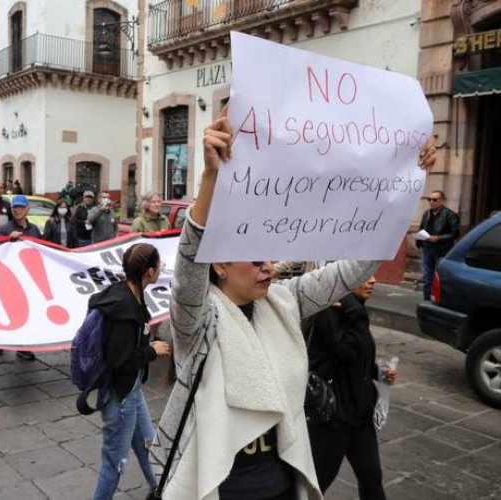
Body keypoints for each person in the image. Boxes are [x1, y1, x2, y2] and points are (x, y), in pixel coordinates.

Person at [148, 110, 437, 499]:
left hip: (283, 486)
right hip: (222, 490)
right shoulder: (198, 321)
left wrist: (409, 183)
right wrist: (210, 177)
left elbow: (354, 268)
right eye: (255, 260)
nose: (268, 266)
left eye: (270, 257)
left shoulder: (284, 301)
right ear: (219, 264)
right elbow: (187, 273)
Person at [91, 243, 171, 499]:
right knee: (114, 465)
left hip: (130, 391)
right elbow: (120, 360)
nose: (161, 270)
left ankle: (159, 490)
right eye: (158, 266)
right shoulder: (125, 307)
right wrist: (152, 351)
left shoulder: (125, 292)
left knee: (150, 446)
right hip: (121, 397)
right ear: (149, 271)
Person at [306, 276, 396, 499]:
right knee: (316, 485)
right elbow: (347, 351)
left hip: (361, 416)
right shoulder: (330, 312)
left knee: (372, 479)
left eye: (375, 274)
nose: (373, 280)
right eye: (364, 276)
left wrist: (378, 372)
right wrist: (357, 313)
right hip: (333, 420)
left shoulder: (352, 310)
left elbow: (358, 357)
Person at [0, 194, 41, 361]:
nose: (17, 210)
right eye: (15, 207)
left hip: (29, 278)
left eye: (21, 207)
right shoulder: (5, 229)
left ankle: (23, 346)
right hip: (9, 278)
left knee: (27, 313)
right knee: (7, 312)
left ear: (27, 209)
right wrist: (9, 239)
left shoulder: (34, 229)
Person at [416, 190, 460, 301]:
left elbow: (455, 233)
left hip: (442, 250)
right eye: (429, 199)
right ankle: (426, 301)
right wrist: (419, 241)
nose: (431, 202)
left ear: (442, 201)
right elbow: (422, 228)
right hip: (427, 248)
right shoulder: (427, 213)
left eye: (434, 199)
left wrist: (438, 238)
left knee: (441, 277)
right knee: (427, 277)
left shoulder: (450, 215)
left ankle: (441, 301)